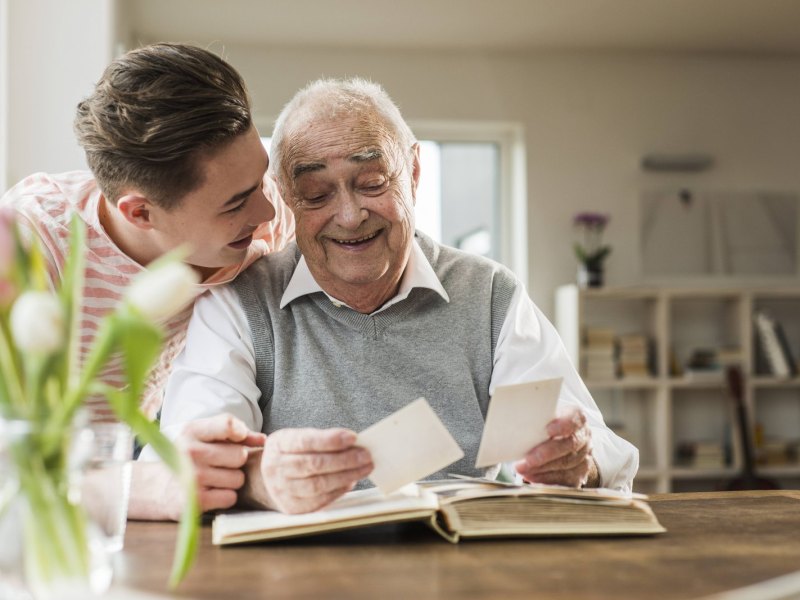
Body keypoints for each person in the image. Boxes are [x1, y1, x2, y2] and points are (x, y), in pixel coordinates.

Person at [155, 77, 638, 515]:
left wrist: (578, 458)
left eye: (371, 184)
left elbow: (600, 449)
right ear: (284, 196)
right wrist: (262, 479)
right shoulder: (238, 300)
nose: (349, 216)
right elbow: (189, 455)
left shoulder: (489, 293)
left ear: (413, 171)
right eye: (316, 194)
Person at [1, 43, 292, 519]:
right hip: (57, 487)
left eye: (261, 181)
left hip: (162, 435)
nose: (267, 212)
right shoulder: (32, 242)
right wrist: (143, 486)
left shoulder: (265, 216)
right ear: (140, 212)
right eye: (236, 203)